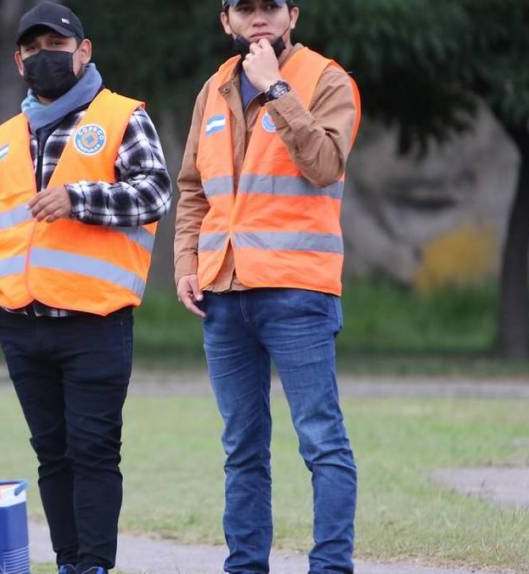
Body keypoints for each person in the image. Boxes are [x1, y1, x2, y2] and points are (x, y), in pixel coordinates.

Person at [0, 4, 171, 573]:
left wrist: (79, 198)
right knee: (51, 456)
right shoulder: (7, 136)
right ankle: (69, 563)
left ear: (84, 51)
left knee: (94, 451)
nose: (44, 55)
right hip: (20, 322)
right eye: (32, 48)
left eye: (56, 44)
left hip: (96, 322)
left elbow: (155, 193)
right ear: (18, 61)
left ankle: (94, 566)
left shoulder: (121, 116)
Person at [173, 1, 361, 572]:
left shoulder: (327, 80)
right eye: (245, 9)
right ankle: (245, 566)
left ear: (293, 16)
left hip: (297, 292)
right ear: (225, 20)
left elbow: (326, 163)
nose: (260, 19)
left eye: (271, 7)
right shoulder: (213, 89)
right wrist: (186, 261)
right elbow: (192, 189)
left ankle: (330, 567)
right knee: (242, 449)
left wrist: (276, 89)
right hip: (222, 295)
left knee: (321, 441)